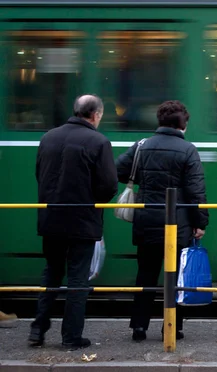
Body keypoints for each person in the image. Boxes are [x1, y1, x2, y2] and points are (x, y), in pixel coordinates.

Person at [30, 94, 118, 350]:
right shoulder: (99, 141)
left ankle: (37, 330)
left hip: (51, 218)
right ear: (96, 115)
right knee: (78, 279)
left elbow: (40, 174)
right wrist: (93, 201)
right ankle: (71, 337)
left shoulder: (49, 137)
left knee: (51, 273)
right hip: (82, 221)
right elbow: (109, 185)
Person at [116, 100, 209, 342]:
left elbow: (118, 170)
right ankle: (173, 328)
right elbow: (196, 192)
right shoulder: (188, 150)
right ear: (183, 124)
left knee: (145, 274)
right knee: (175, 276)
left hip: (146, 221)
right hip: (178, 225)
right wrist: (201, 223)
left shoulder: (142, 145)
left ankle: (139, 326)